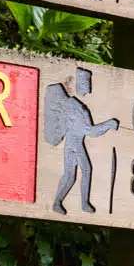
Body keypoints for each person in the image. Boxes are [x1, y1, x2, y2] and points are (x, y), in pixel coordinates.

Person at [44, 68, 118, 215]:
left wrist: (107, 125)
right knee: (72, 174)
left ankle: (79, 203)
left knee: (78, 173)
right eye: (84, 83)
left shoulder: (79, 106)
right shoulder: (74, 106)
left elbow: (88, 130)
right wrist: (108, 125)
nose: (87, 87)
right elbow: (89, 130)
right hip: (73, 145)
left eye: (87, 83)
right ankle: (61, 202)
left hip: (77, 144)